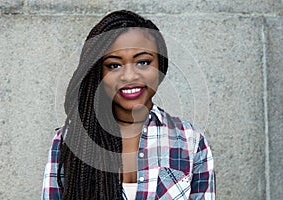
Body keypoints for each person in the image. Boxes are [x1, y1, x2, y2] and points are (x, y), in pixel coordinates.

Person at [41, 10, 215, 200]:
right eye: (114, 65)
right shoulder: (69, 140)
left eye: (143, 62)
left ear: (160, 67)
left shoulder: (190, 141)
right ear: (98, 74)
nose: (130, 76)